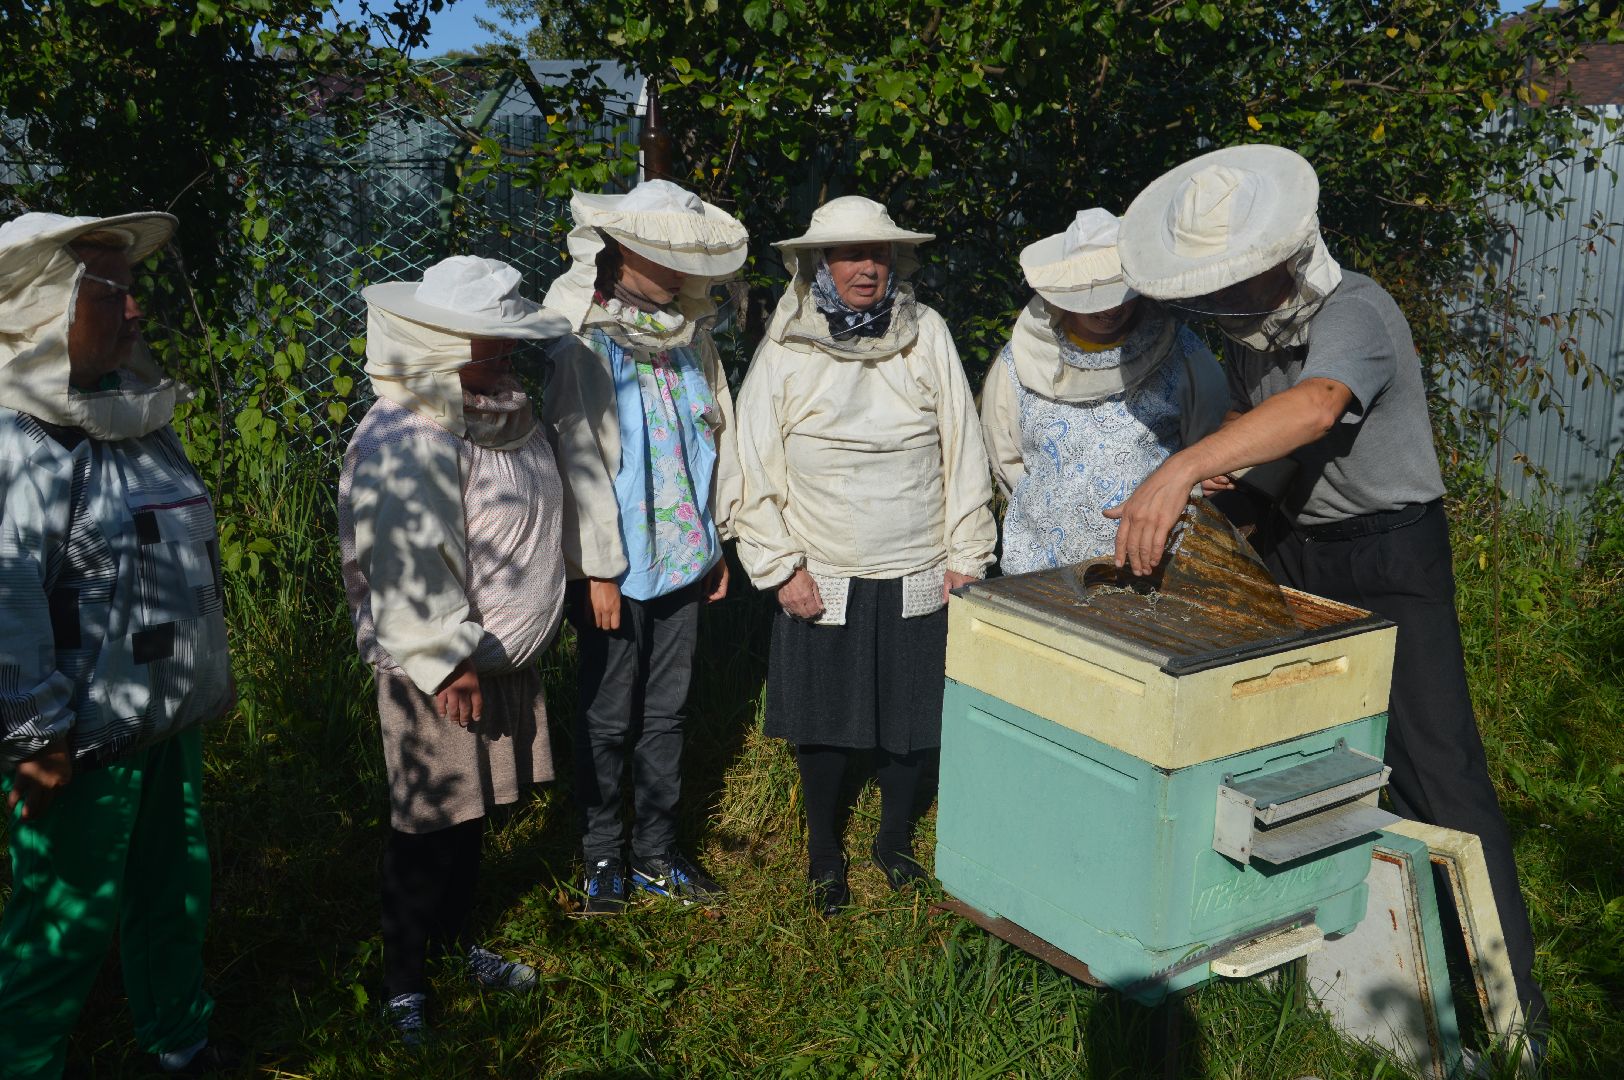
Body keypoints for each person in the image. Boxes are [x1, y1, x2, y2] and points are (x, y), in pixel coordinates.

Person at [1112, 143, 1548, 1031]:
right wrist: (1229, 491)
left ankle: (1510, 1009)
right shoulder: (1251, 337)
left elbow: (1316, 407)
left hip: (1391, 556)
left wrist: (1186, 465)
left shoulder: (1358, 307)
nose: (1220, 298)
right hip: (1301, 549)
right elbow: (1286, 448)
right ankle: (1328, 961)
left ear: (1278, 255)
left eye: (1230, 277)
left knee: (1440, 775)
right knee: (1297, 755)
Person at [0, 212, 237, 1077]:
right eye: (114, 294)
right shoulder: (15, 444)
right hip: (78, 739)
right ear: (44, 308)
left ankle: (180, 1038)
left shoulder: (132, 417)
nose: (137, 313)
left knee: (174, 886)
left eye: (134, 293)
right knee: (65, 917)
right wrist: (34, 736)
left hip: (165, 713)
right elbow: (5, 596)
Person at [732, 196, 997, 916]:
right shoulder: (786, 344)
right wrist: (779, 565)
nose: (866, 267)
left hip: (918, 558)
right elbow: (751, 460)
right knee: (823, 719)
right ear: (820, 262)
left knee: (913, 716)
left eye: (877, 253)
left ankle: (894, 841)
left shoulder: (928, 333)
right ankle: (824, 849)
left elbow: (961, 442)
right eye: (850, 254)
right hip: (824, 565)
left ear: (895, 260)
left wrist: (967, 552)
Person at [338, 255, 570, 1043]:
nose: (504, 355)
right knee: (427, 820)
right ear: (441, 341)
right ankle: (404, 983)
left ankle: (450, 942)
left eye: (506, 341)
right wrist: (448, 659)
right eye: (486, 342)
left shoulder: (494, 408)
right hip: (438, 669)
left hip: (488, 660)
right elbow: (406, 556)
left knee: (470, 818)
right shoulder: (407, 432)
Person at [540, 179, 747, 913]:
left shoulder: (694, 339)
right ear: (623, 249)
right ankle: (602, 855)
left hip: (684, 559)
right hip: (615, 572)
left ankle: (655, 851)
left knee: (668, 710)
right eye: (669, 253)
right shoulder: (586, 342)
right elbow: (580, 462)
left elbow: (710, 441)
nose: (682, 268)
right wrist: (596, 571)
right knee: (605, 713)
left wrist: (715, 541)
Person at [980, 207, 1228, 573]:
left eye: (1121, 291)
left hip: (1153, 568)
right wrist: (1054, 505)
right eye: (1096, 294)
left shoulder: (1184, 355)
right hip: (1041, 571)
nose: (1112, 308)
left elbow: (1212, 449)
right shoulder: (1019, 362)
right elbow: (1006, 460)